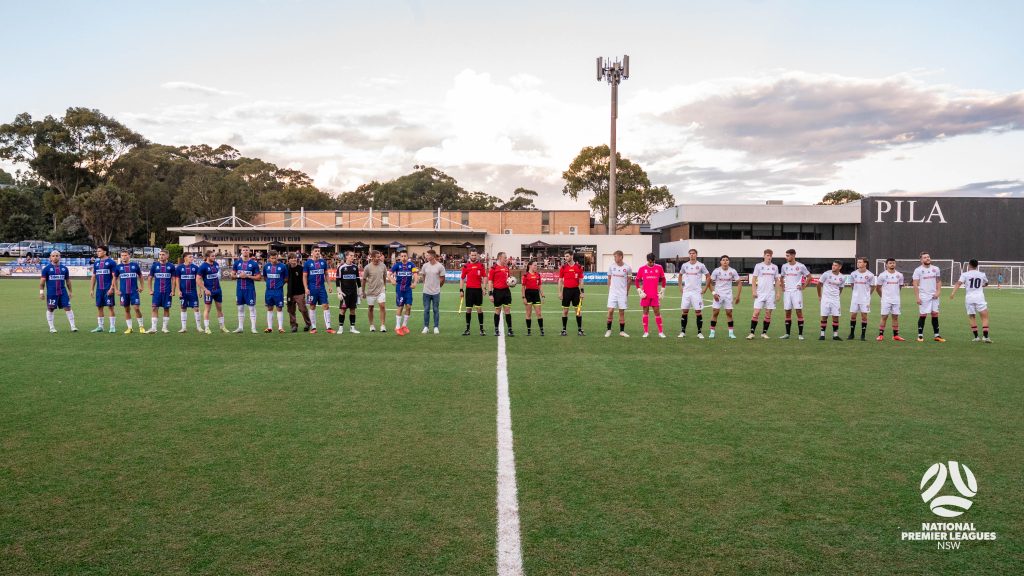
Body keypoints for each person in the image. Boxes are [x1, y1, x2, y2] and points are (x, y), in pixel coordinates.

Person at [950, 259, 992, 343]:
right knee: (984, 317)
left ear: (969, 265)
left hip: (969, 298)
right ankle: (985, 337)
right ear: (977, 266)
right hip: (979, 297)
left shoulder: (965, 274)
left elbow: (958, 283)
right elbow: (986, 283)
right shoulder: (982, 274)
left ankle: (976, 337)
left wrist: (953, 293)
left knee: (972, 317)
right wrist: (982, 285)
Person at [39, 250, 76, 333]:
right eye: (53, 256)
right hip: (52, 293)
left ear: (60, 257)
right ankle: (52, 328)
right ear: (50, 258)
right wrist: (41, 293)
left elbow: (68, 281)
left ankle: (73, 326)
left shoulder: (64, 268)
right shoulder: (46, 269)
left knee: (68, 308)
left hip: (63, 292)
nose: (55, 257)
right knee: (51, 309)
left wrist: (70, 291)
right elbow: (42, 283)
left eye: (57, 255)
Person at [678, 248, 711, 339]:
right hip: (687, 292)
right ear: (689, 255)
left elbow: (708, 277)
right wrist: (680, 286)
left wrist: (705, 288)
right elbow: (680, 275)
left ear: (696, 255)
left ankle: (699, 332)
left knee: (698, 312)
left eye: (693, 253)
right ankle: (682, 332)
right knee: (684, 311)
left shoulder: (701, 265)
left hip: (696, 293)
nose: (692, 255)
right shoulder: (685, 265)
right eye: (690, 253)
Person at [748, 249, 780, 339]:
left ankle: (764, 333)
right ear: (764, 256)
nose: (769, 257)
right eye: (767, 255)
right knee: (756, 312)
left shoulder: (775, 267)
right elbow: (754, 279)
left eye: (770, 255)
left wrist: (778, 293)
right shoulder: (758, 266)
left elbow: (777, 281)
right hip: (760, 293)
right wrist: (754, 291)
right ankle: (752, 333)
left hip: (770, 294)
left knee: (768, 313)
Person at [912, 251, 944, 342]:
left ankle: (937, 335)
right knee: (923, 315)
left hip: (934, 295)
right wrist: (917, 297)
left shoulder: (936, 269)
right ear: (921, 260)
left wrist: (938, 292)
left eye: (928, 257)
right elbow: (915, 284)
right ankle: (920, 336)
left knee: (935, 314)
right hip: (924, 296)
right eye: (925, 257)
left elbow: (938, 281)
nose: (927, 258)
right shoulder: (918, 270)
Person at [780, 248, 810, 340]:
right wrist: (782, 287)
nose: (786, 257)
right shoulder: (784, 266)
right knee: (787, 312)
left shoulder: (801, 266)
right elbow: (781, 277)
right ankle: (787, 334)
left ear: (793, 256)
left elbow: (809, 277)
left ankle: (800, 334)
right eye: (786, 255)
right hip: (787, 292)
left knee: (798, 312)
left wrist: (804, 286)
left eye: (788, 255)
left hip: (797, 292)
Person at [112, 250, 145, 334]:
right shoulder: (118, 267)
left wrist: (142, 286)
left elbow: (140, 276)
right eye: (122, 255)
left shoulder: (135, 265)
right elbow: (114, 279)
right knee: (127, 310)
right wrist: (116, 289)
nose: (123, 257)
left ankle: (141, 326)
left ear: (129, 256)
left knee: (136, 308)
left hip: (134, 291)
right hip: (123, 292)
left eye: (125, 255)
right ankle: (129, 328)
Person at [709, 255, 742, 339]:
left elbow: (739, 283)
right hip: (718, 295)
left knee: (729, 313)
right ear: (720, 262)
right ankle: (712, 332)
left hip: (728, 295)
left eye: (727, 260)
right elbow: (709, 282)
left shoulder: (732, 271)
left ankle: (731, 333)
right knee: (715, 312)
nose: (725, 261)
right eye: (723, 260)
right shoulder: (716, 271)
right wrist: (714, 293)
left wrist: (738, 296)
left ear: (729, 262)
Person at [635, 252, 667, 338]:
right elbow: (637, 280)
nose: (651, 263)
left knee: (657, 312)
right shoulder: (642, 269)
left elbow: (663, 279)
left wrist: (662, 290)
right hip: (645, 295)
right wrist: (640, 291)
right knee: (645, 312)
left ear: (654, 260)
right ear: (647, 260)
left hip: (654, 295)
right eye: (650, 262)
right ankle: (646, 332)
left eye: (653, 261)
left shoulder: (659, 268)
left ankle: (660, 332)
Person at [303, 247, 333, 334]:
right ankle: (313, 328)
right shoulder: (307, 263)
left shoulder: (323, 262)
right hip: (312, 289)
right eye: (315, 251)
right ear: (312, 252)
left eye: (318, 251)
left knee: (326, 306)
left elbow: (326, 275)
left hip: (321, 288)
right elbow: (304, 276)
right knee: (312, 306)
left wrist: (330, 285)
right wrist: (306, 288)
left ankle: (328, 327)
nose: (317, 252)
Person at [874, 258, 906, 341]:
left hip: (896, 300)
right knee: (884, 316)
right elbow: (877, 288)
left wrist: (896, 295)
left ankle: (895, 336)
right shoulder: (882, 275)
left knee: (895, 317)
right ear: (886, 265)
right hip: (886, 300)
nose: (892, 264)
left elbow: (900, 287)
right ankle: (880, 335)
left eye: (893, 263)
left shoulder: (900, 275)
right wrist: (883, 296)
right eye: (890, 263)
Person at [232, 246, 261, 333]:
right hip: (239, 289)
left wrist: (248, 276)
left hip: (250, 289)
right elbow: (232, 276)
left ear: (249, 252)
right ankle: (240, 327)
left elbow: (259, 277)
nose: (245, 252)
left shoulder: (254, 263)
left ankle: (253, 328)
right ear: (241, 251)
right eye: (243, 250)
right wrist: (238, 276)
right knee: (240, 308)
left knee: (251, 308)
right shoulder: (237, 263)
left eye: (247, 250)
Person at [198, 249, 228, 334]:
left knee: (220, 309)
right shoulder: (203, 266)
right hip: (209, 291)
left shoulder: (216, 264)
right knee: (207, 309)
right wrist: (204, 290)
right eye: (212, 256)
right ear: (207, 257)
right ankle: (207, 328)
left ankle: (222, 327)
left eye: (214, 256)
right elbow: (198, 280)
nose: (214, 257)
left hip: (218, 290)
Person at [89, 245, 118, 333]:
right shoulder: (96, 263)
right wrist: (92, 289)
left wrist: (112, 288)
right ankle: (100, 327)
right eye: (97, 251)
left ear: (105, 252)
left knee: (110, 307)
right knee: (99, 307)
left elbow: (114, 277)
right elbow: (93, 277)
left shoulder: (111, 262)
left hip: (108, 289)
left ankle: (112, 327)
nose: (97, 253)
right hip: (99, 289)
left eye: (99, 251)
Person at [147, 249, 177, 333]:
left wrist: (173, 290)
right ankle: (153, 328)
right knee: (154, 308)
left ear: (167, 256)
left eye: (163, 254)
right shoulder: (154, 265)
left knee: (166, 309)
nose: (161, 256)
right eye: (160, 254)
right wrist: (150, 290)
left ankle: (164, 328)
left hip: (167, 292)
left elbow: (174, 279)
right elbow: (150, 278)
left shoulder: (171, 266)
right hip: (157, 292)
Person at [846, 257, 875, 341]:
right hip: (855, 298)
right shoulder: (853, 274)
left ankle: (863, 335)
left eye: (860, 262)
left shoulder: (870, 275)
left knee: (864, 316)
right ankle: (852, 334)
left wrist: (867, 295)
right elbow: (852, 285)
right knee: (853, 316)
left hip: (865, 299)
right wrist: (856, 293)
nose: (858, 263)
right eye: (858, 262)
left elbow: (873, 286)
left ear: (865, 263)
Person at [388, 249, 417, 335]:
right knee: (400, 307)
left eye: (405, 256)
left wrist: (415, 283)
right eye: (402, 256)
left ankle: (404, 325)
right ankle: (397, 327)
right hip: (400, 289)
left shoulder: (411, 265)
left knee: (408, 306)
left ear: (407, 257)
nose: (403, 258)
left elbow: (415, 274)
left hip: (408, 289)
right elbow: (388, 273)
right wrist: (392, 280)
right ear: (399, 257)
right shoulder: (397, 265)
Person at [460, 249, 487, 336]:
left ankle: (482, 329)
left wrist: (484, 288)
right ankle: (467, 329)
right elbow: (462, 278)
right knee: (468, 310)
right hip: (469, 291)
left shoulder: (481, 266)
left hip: (478, 290)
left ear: (477, 256)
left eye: (475, 255)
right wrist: (461, 289)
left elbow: (485, 277)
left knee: (479, 309)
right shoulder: (466, 266)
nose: (473, 257)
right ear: (469, 256)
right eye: (472, 255)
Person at [605, 250, 632, 337]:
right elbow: (609, 278)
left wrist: (626, 292)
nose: (614, 258)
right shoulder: (611, 266)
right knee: (610, 310)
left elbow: (629, 280)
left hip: (622, 293)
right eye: (614, 257)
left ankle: (622, 331)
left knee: (621, 312)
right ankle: (608, 330)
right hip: (613, 293)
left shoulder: (627, 268)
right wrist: (610, 289)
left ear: (621, 257)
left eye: (616, 256)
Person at [487, 251, 514, 336]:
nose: (506, 259)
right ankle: (496, 329)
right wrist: (490, 294)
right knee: (497, 310)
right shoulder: (493, 268)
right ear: (499, 258)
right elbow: (490, 281)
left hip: (506, 292)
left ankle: (510, 330)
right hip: (497, 292)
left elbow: (508, 279)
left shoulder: (506, 268)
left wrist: (511, 283)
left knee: (507, 310)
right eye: (505, 258)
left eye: (506, 258)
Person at [817, 260, 845, 341]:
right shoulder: (826, 274)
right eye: (833, 265)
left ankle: (835, 335)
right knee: (824, 316)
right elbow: (819, 285)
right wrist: (819, 296)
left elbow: (841, 288)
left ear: (840, 267)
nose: (833, 266)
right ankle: (822, 335)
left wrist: (837, 296)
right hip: (825, 299)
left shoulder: (842, 277)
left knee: (836, 317)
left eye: (835, 265)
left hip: (835, 300)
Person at [334, 251, 361, 334]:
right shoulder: (341, 267)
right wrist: (339, 292)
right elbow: (337, 281)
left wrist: (360, 291)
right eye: (351, 255)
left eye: (353, 256)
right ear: (346, 257)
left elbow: (358, 280)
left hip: (353, 292)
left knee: (353, 310)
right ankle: (340, 328)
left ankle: (352, 328)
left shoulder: (355, 267)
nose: (353, 257)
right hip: (344, 293)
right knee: (343, 310)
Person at [558, 252, 585, 336]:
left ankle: (580, 330)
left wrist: (582, 292)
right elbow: (560, 280)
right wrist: (560, 292)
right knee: (565, 311)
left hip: (576, 291)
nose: (565, 258)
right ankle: (564, 330)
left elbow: (581, 280)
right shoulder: (563, 267)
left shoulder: (579, 267)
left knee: (578, 311)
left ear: (572, 256)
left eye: (567, 256)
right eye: (565, 256)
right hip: (566, 291)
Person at [361, 250, 389, 332]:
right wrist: (363, 291)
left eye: (379, 256)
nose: (378, 258)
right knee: (370, 308)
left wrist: (384, 286)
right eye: (377, 257)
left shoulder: (383, 266)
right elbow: (364, 280)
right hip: (370, 291)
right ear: (372, 257)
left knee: (382, 306)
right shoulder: (367, 267)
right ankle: (371, 325)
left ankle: (383, 325)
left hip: (381, 290)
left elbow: (384, 276)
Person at [175, 253, 203, 333]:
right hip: (183, 292)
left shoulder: (195, 268)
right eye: (190, 257)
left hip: (193, 292)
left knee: (196, 308)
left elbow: (198, 280)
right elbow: (177, 280)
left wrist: (199, 290)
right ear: (185, 258)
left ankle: (199, 327)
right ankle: (183, 328)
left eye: (192, 257)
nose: (192, 258)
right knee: (183, 308)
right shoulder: (179, 268)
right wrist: (178, 290)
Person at [419, 249, 445, 334]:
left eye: (428, 255)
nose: (426, 257)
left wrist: (438, 286)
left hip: (436, 293)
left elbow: (442, 279)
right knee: (426, 309)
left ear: (433, 256)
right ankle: (426, 327)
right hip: (426, 292)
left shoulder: (440, 266)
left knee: (435, 310)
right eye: (426, 255)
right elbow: (423, 275)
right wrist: (425, 284)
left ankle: (436, 327)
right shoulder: (425, 266)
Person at [263, 251, 288, 333]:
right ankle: (269, 327)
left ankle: (280, 328)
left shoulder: (283, 266)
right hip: (269, 291)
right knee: (269, 308)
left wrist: (280, 284)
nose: (274, 260)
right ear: (269, 258)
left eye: (275, 258)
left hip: (278, 291)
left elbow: (286, 278)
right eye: (272, 258)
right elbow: (265, 277)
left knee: (279, 308)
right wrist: (268, 284)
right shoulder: (266, 266)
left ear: (277, 257)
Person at [286, 253, 312, 332]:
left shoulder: (301, 268)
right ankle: (294, 325)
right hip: (290, 293)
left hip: (300, 292)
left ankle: (308, 323)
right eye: (292, 258)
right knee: (291, 310)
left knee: (303, 309)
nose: (294, 259)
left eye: (295, 258)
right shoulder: (286, 268)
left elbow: (306, 279)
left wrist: (306, 288)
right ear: (289, 260)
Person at [521, 260, 545, 336]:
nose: (536, 266)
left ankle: (541, 330)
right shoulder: (525, 275)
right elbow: (523, 287)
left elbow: (540, 286)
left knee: (539, 313)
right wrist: (523, 297)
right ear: (530, 266)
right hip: (528, 295)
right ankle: (529, 331)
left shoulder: (538, 275)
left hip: (536, 295)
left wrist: (542, 295)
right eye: (534, 265)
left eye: (536, 265)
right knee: (528, 313)